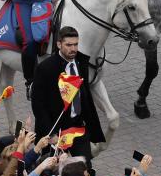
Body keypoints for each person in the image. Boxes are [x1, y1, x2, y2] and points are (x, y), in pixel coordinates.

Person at [30, 27, 105, 163]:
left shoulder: (81, 62)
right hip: (58, 130)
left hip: (78, 128)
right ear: (59, 44)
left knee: (84, 170)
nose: (73, 49)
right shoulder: (45, 68)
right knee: (55, 171)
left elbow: (85, 93)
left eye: (75, 44)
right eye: (68, 45)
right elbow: (38, 105)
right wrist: (50, 134)